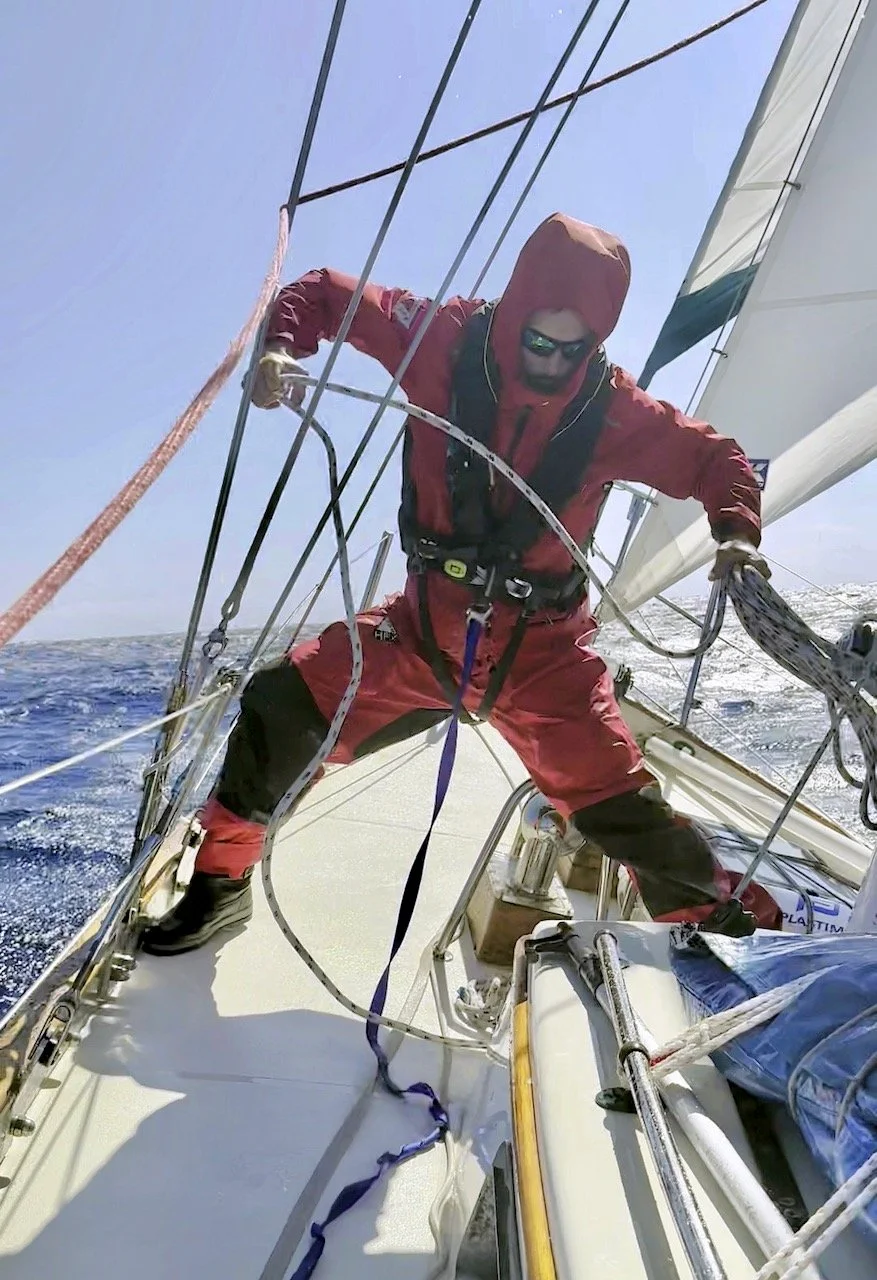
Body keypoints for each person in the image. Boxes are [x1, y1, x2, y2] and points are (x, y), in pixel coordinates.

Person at [142, 212, 778, 957]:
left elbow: (718, 460)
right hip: (420, 632)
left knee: (618, 810)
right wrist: (281, 347)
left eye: (572, 349)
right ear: (512, 314)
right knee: (281, 704)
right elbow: (323, 292)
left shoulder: (616, 411)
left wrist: (736, 532)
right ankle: (219, 890)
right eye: (538, 340)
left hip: (542, 655)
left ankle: (737, 934)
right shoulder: (437, 337)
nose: (550, 360)